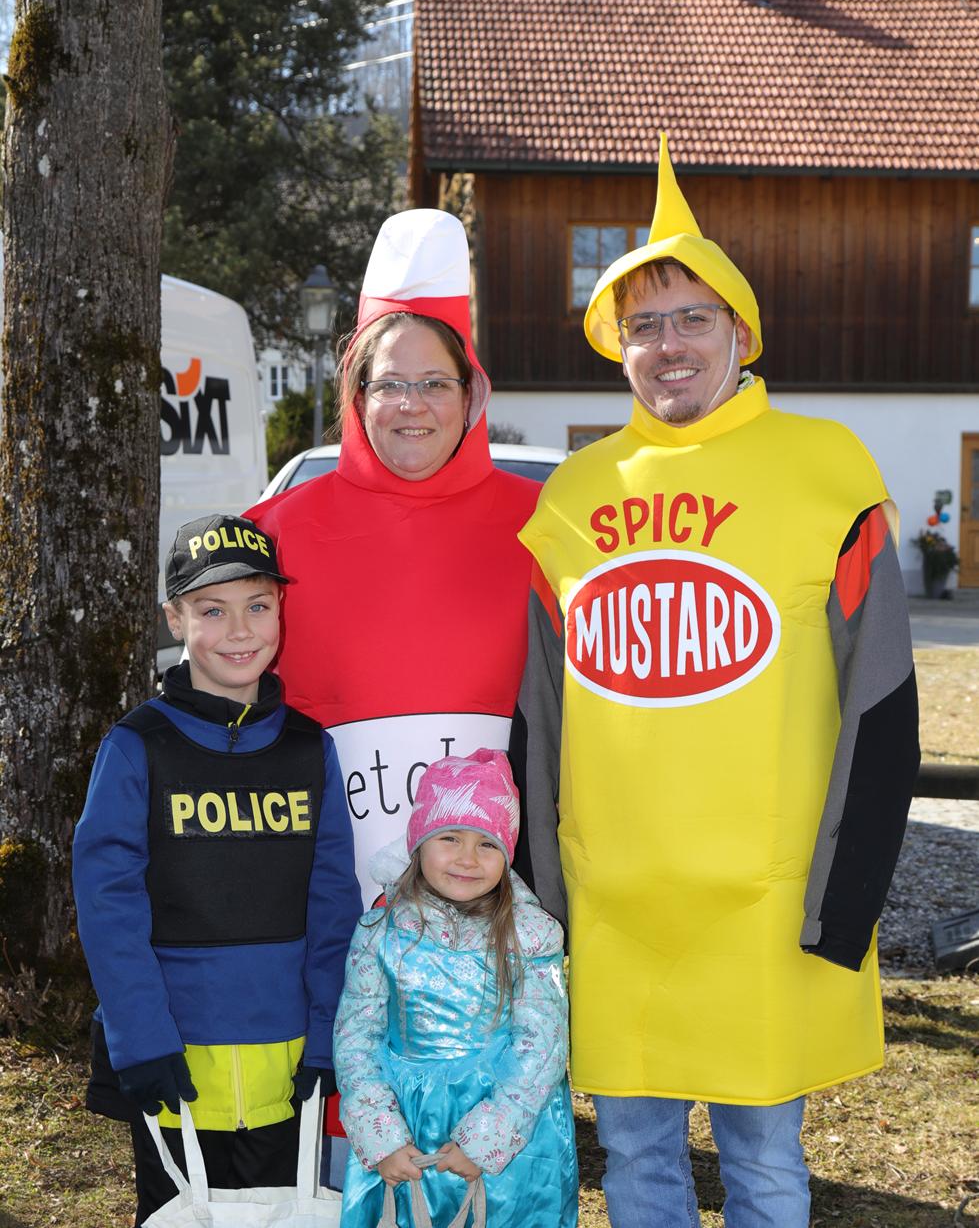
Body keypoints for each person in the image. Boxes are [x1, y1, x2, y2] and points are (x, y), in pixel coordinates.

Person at [512, 135, 919, 1228]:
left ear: (740, 332)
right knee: (635, 1161)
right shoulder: (570, 496)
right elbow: (537, 718)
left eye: (691, 317)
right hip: (616, 906)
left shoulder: (826, 469)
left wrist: (846, 895)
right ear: (619, 349)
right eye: (642, 324)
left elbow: (882, 703)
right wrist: (542, 897)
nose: (667, 343)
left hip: (764, 906)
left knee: (764, 1165)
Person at [73, 513, 363, 1226]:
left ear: (281, 609)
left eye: (257, 606)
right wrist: (139, 1038)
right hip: (172, 1062)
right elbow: (108, 908)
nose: (239, 630)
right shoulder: (136, 745)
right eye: (212, 610)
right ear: (174, 617)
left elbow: (334, 904)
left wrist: (329, 1032)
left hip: (286, 1068)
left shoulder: (309, 748)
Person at [247, 210, 541, 906]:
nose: (412, 405)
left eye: (435, 382)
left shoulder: (542, 525)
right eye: (389, 384)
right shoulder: (273, 531)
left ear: (470, 395)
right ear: (357, 395)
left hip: (499, 907)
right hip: (319, 897)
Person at [333, 748, 579, 1228]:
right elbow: (355, 1040)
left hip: (507, 1139)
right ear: (419, 843)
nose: (468, 859)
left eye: (487, 844)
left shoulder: (529, 936)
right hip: (405, 1131)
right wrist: (383, 1138)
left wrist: (487, 1140)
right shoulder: (380, 933)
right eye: (450, 838)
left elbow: (542, 1047)